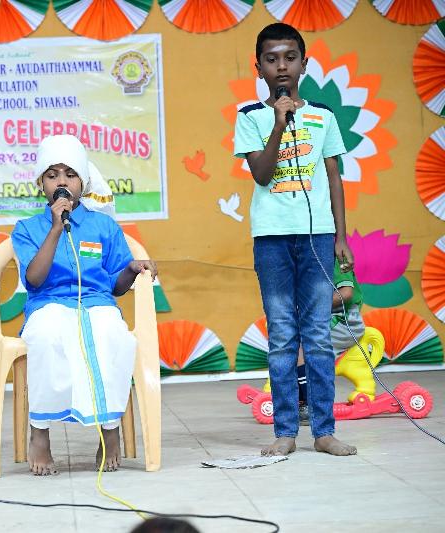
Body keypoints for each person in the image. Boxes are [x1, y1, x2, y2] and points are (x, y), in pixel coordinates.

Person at [233, 23, 357, 456]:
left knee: (318, 334)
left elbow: (334, 176)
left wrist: (341, 235)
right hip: (271, 239)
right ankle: (286, 430)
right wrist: (279, 123)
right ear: (259, 67)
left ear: (304, 63)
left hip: (318, 237)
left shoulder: (323, 116)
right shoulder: (249, 117)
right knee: (283, 334)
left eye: (289, 57)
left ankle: (323, 430)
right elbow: (263, 173)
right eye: (271, 59)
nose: (281, 65)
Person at [11, 134, 157, 475]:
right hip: (48, 305)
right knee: (47, 338)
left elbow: (117, 287)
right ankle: (41, 434)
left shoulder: (103, 225)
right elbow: (34, 279)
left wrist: (132, 270)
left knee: (112, 335)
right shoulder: (27, 228)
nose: (61, 181)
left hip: (97, 303)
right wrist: (54, 228)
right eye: (52, 174)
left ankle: (109, 431)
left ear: (83, 182)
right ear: (41, 184)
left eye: (70, 174)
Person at [296, 257, 365, 424]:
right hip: (324, 317)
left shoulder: (336, 259)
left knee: (301, 349)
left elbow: (346, 293)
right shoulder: (306, 259)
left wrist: (309, 304)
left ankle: (309, 404)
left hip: (345, 321)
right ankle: (297, 396)